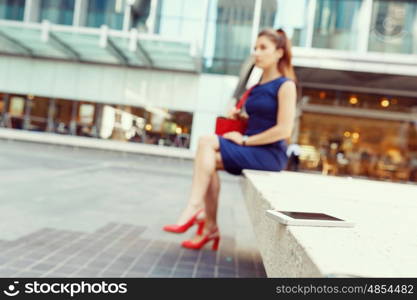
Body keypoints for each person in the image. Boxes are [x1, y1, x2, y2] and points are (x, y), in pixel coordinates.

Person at [163, 28, 297, 251]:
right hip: (251, 147)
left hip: (269, 154)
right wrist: (240, 117)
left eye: (263, 48)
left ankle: (196, 209)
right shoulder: (255, 88)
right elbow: (259, 118)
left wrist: (244, 140)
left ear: (279, 52)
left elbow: (283, 130)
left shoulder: (286, 85)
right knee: (208, 162)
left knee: (206, 142)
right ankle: (210, 227)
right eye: (255, 48)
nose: (257, 52)